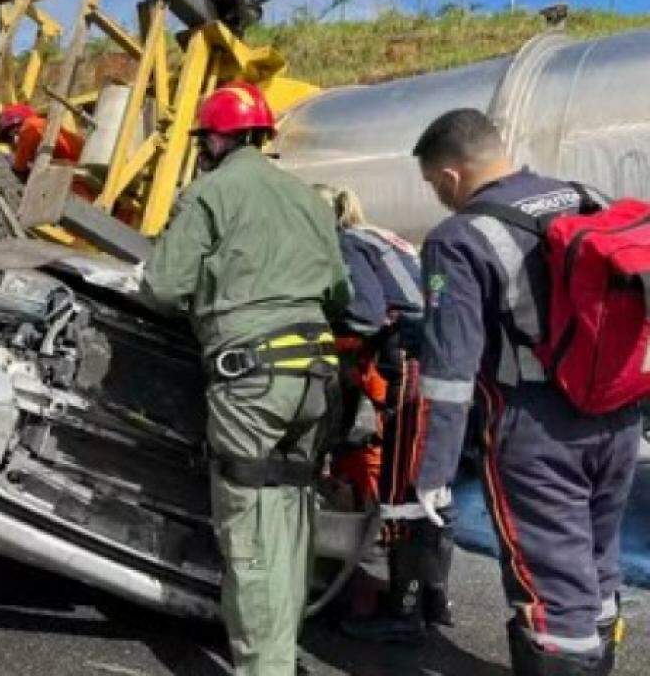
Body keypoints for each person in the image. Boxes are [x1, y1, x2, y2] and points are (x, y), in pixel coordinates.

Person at [411, 108, 640, 676]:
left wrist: (433, 474)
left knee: (552, 589)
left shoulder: (458, 238)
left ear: (449, 178)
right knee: (595, 565)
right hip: (619, 414)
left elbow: (449, 371)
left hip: (538, 432)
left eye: (433, 186)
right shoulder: (588, 197)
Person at [141, 82, 350, 676]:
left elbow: (161, 287)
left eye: (205, 137)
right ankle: (282, 654)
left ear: (219, 136)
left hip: (250, 383)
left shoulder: (208, 194)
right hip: (316, 378)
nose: (202, 148)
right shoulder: (311, 199)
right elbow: (341, 291)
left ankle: (266, 669)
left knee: (250, 534)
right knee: (289, 518)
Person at [314, 184, 455, 644]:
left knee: (402, 491)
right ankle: (432, 600)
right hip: (440, 362)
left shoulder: (346, 244)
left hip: (409, 366)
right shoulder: (379, 235)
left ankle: (403, 612)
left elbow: (366, 316)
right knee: (430, 487)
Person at [0, 102, 84, 176]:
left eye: (15, 132)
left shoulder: (30, 127)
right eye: (10, 137)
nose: (15, 140)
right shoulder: (43, 128)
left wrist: (12, 162)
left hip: (79, 166)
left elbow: (19, 167)